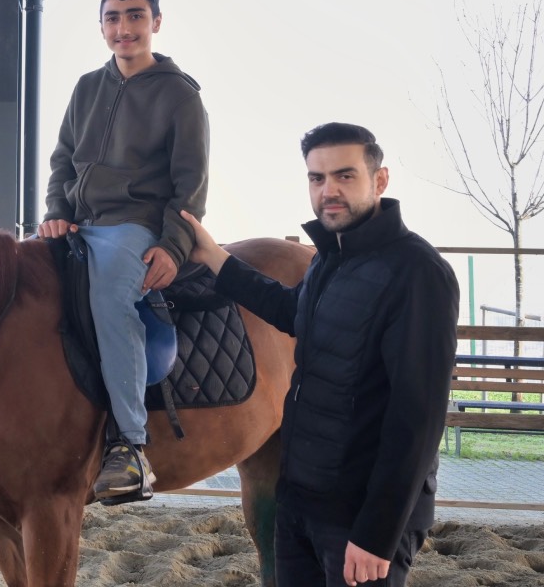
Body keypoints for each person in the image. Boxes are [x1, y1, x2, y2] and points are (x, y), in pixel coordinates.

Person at [180, 122, 458, 586]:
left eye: (345, 176)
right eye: (317, 178)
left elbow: (419, 419)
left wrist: (377, 534)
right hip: (301, 505)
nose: (329, 191)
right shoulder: (331, 257)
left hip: (361, 520)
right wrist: (217, 260)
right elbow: (293, 312)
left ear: (380, 180)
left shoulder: (419, 272)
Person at [39, 0, 210, 501]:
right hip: (77, 223)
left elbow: (191, 184)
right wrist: (55, 213)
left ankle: (131, 447)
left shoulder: (180, 96)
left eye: (134, 16)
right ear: (102, 27)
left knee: (112, 296)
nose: (123, 28)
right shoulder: (87, 87)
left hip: (134, 226)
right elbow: (63, 161)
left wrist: (173, 246)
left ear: (155, 22)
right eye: (113, 18)